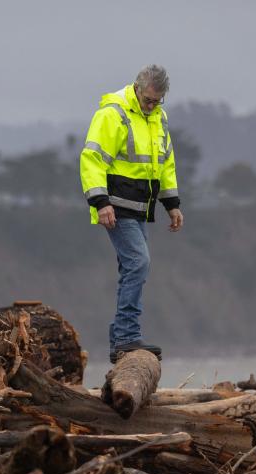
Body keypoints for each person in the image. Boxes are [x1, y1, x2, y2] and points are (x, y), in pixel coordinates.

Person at [79, 64, 184, 363]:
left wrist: (172, 203)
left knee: (133, 267)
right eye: (148, 99)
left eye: (157, 101)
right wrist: (100, 202)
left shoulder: (159, 118)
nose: (151, 106)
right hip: (115, 205)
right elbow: (92, 159)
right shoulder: (113, 113)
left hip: (140, 208)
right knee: (139, 263)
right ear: (137, 88)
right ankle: (126, 337)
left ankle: (119, 341)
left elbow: (166, 164)